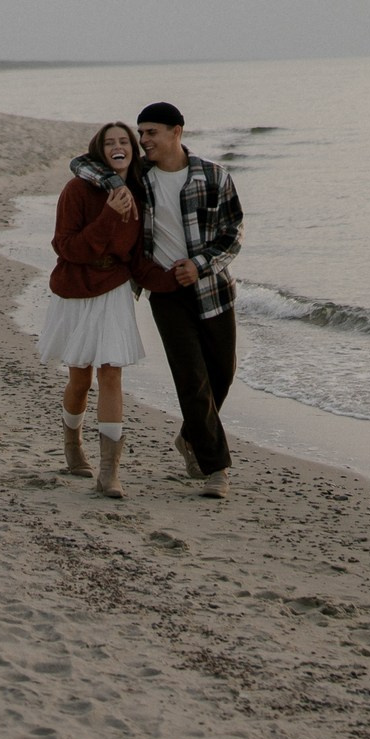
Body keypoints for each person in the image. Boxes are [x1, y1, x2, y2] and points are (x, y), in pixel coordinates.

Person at [69, 101, 243, 498]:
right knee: (192, 380)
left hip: (212, 288)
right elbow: (80, 163)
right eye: (141, 132)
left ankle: (190, 436)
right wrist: (115, 184)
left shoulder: (213, 176)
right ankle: (216, 469)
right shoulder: (137, 178)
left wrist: (199, 265)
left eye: (151, 132)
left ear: (176, 132)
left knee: (222, 374)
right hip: (165, 292)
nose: (143, 140)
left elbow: (233, 235)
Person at [42, 121, 148, 498]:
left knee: (111, 374)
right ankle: (73, 443)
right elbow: (66, 247)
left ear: (133, 149)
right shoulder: (77, 190)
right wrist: (107, 215)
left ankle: (109, 472)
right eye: (110, 143)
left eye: (125, 141)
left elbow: (138, 255)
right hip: (75, 288)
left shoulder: (139, 191)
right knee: (81, 379)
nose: (118, 146)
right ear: (100, 151)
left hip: (115, 288)